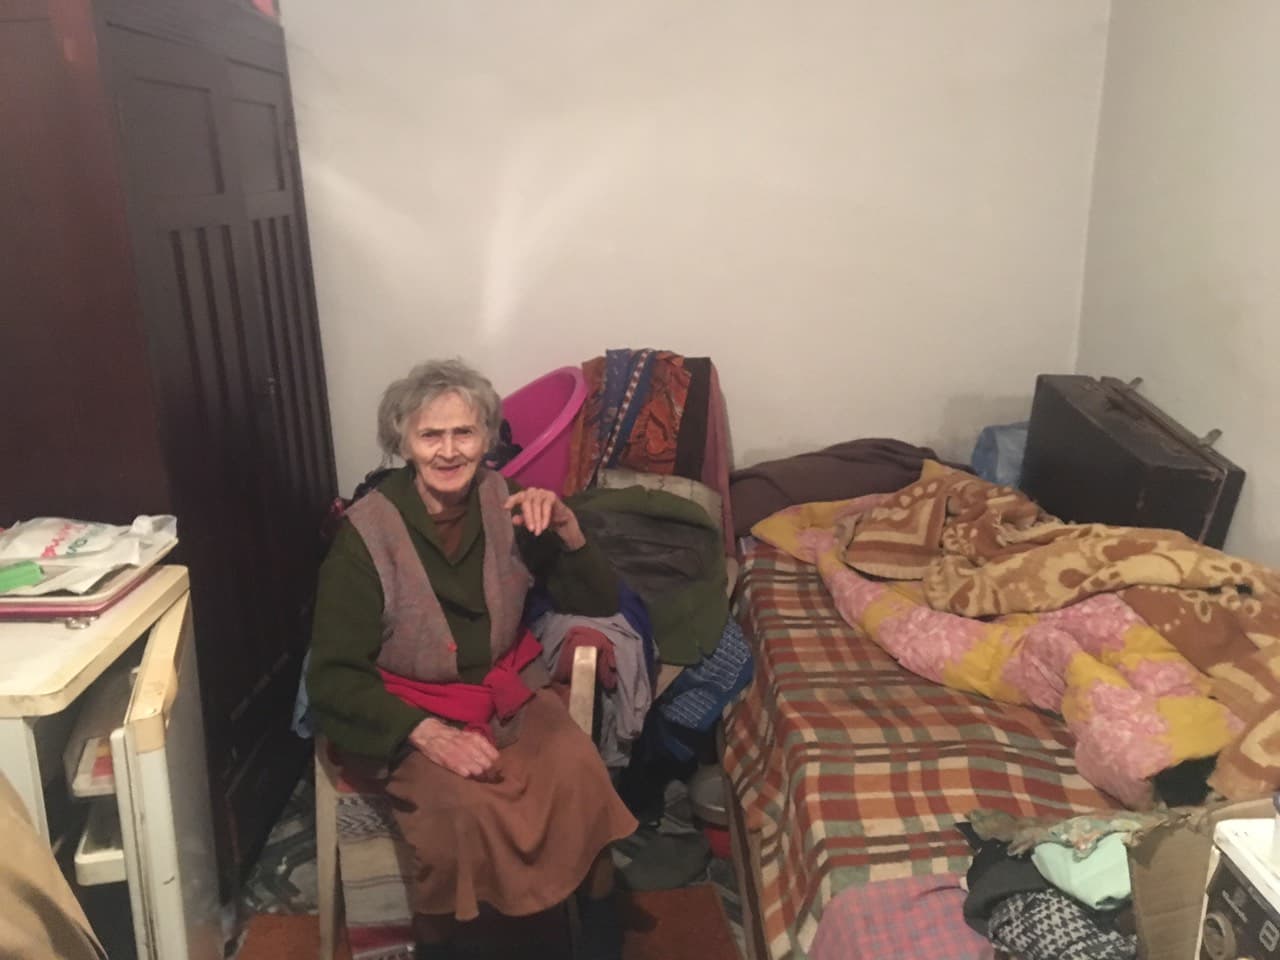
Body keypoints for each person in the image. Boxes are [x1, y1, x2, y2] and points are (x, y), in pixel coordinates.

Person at [308, 359, 637, 959]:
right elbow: (332, 676)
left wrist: (568, 530)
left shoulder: (507, 501)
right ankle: (448, 947)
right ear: (403, 443)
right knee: (458, 812)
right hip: (411, 711)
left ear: (487, 439)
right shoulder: (365, 535)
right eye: (430, 435)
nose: (448, 450)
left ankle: (596, 941)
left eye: (464, 432)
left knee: (580, 777)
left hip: (509, 694)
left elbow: (597, 602)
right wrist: (426, 734)